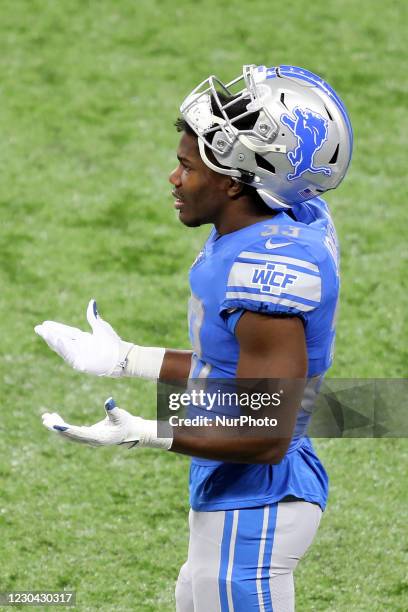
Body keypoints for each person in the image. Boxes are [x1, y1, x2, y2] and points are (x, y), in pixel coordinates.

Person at [35, 64, 353, 611]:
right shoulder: (267, 223)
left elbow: (267, 430)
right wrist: (127, 360)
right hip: (247, 499)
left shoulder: (263, 269)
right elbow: (235, 378)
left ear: (234, 180)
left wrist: (149, 432)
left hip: (258, 504)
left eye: (186, 166)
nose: (173, 179)